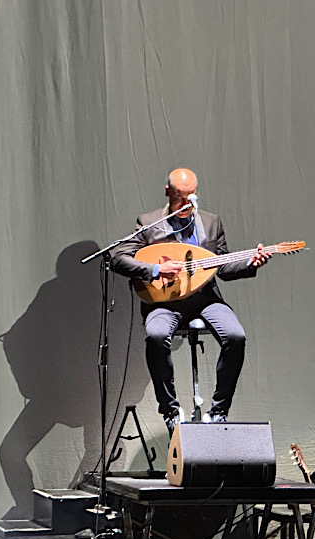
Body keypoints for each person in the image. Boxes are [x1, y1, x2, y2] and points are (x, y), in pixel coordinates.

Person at [112, 168, 271, 433]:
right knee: (156, 336)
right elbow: (118, 258)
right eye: (179, 198)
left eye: (191, 198)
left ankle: (219, 411)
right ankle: (171, 411)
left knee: (235, 336)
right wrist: (155, 270)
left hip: (204, 298)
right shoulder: (149, 222)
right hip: (164, 302)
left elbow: (222, 267)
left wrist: (250, 263)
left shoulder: (211, 223)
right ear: (168, 192)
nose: (185, 204)